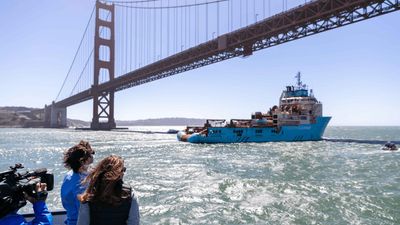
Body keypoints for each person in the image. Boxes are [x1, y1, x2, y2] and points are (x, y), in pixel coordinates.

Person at [77, 155, 139, 225]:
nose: (124, 173)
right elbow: (134, 222)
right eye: (123, 170)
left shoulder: (89, 195)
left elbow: (82, 222)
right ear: (119, 173)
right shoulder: (130, 194)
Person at [61, 141, 95, 225]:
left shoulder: (69, 175)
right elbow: (84, 210)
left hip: (71, 219)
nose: (92, 156)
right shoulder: (81, 184)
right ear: (82, 161)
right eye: (90, 154)